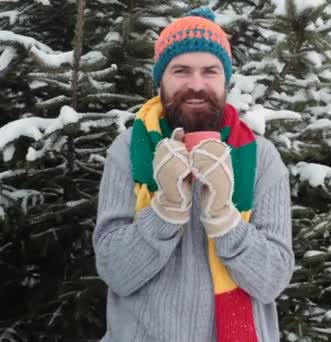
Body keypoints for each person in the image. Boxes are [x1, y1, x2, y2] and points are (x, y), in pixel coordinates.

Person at [93, 8, 294, 342]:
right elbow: (115, 272)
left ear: (225, 79)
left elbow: (272, 281)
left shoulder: (261, 157)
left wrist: (225, 220)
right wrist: (165, 210)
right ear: (161, 79)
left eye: (210, 71)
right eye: (181, 71)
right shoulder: (129, 150)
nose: (196, 85)